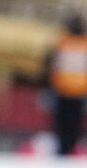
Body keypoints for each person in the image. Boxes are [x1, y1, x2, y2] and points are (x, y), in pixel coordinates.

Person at [43, 13, 87, 157]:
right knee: (73, 124)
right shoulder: (82, 44)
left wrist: (47, 85)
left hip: (63, 89)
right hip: (78, 91)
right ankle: (69, 147)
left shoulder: (61, 43)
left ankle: (64, 148)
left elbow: (48, 65)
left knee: (62, 123)